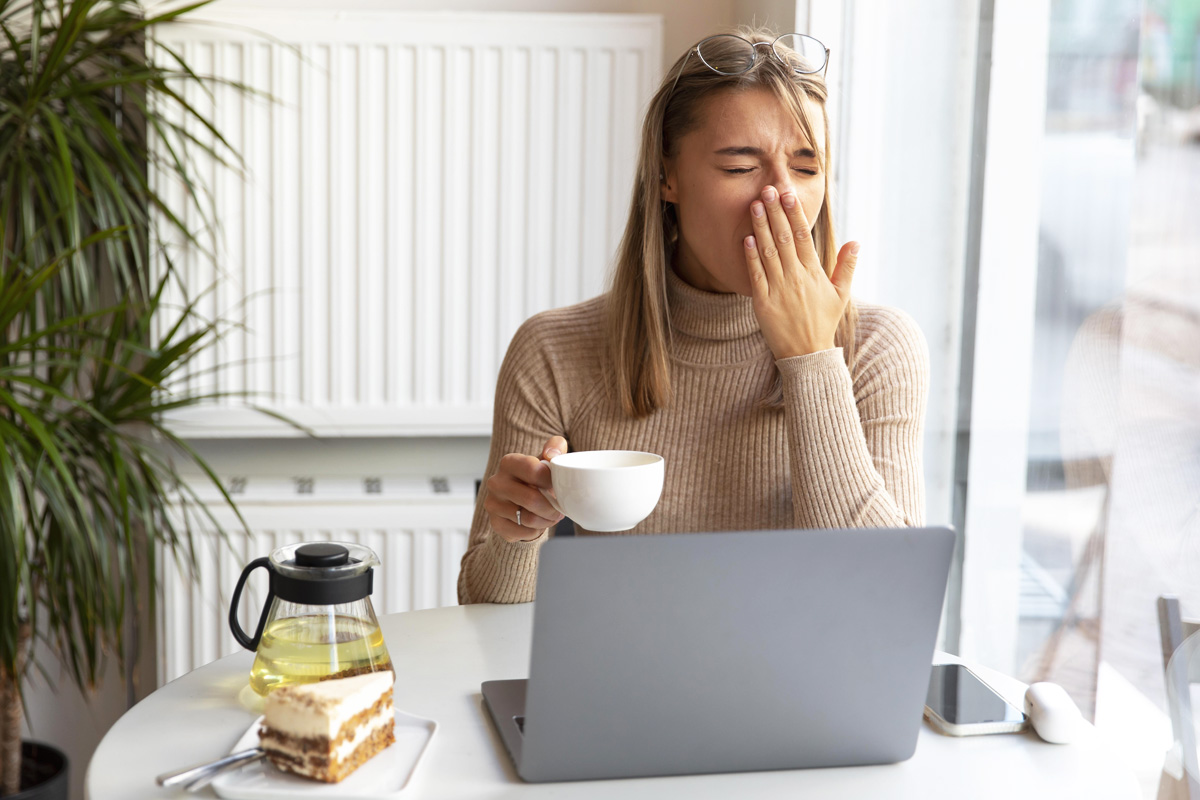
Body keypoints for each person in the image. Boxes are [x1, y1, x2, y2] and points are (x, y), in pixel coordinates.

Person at [458, 26, 930, 605]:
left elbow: (889, 603)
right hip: (622, 685)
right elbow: (483, 613)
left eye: (806, 170)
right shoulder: (554, 350)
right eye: (740, 167)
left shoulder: (880, 347)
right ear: (666, 177)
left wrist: (810, 359)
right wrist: (516, 533)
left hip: (803, 694)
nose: (782, 199)